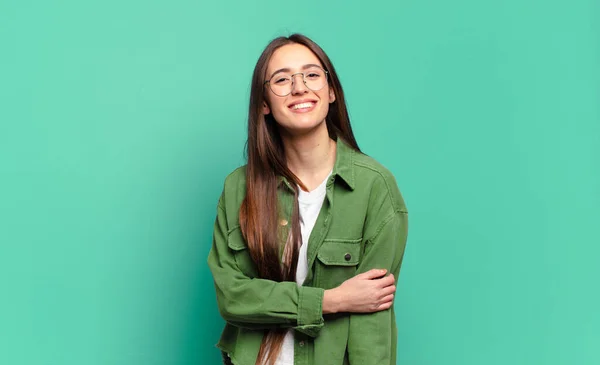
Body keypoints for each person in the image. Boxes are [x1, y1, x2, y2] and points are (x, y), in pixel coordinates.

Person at [207, 33, 408, 365]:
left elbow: (372, 320)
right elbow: (232, 296)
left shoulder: (374, 187)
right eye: (282, 79)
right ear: (264, 104)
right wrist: (329, 300)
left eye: (312, 75)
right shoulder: (239, 188)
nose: (299, 87)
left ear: (331, 91)